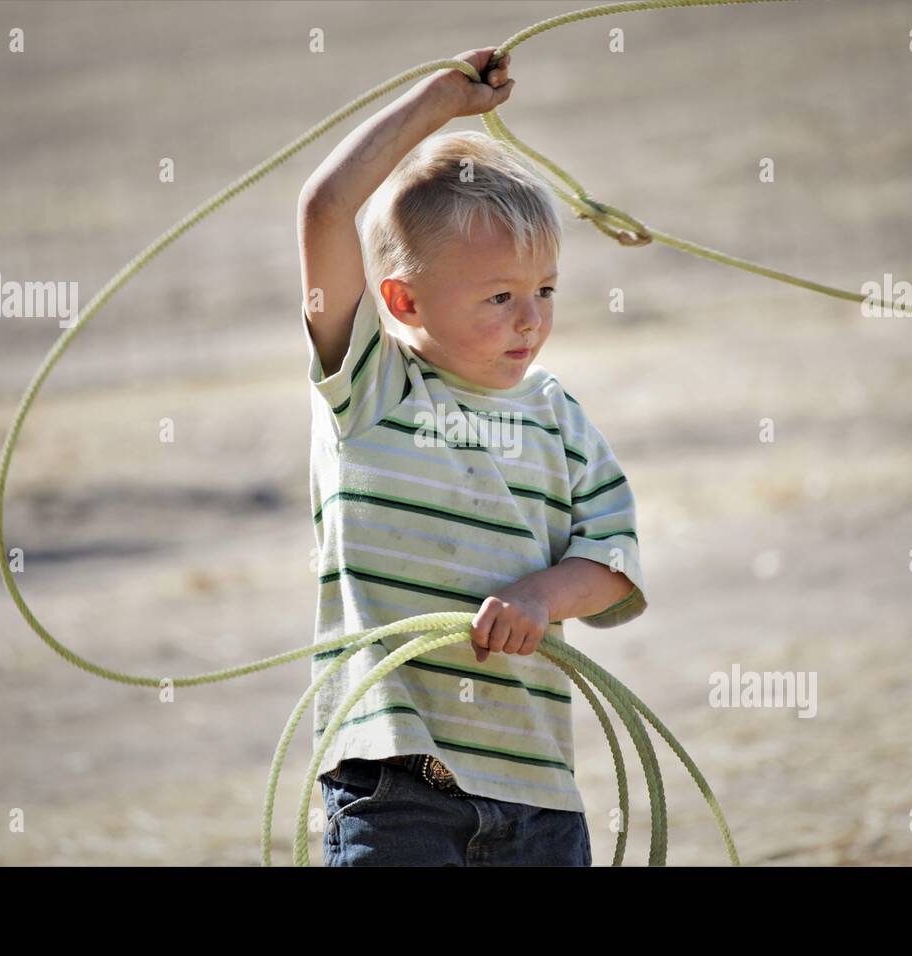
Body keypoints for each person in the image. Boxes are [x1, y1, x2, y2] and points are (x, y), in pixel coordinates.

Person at [297, 47, 647, 866]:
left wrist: (541, 595)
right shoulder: (371, 388)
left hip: (536, 788)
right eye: (499, 297)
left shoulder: (557, 415)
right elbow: (325, 210)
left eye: (545, 291)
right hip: (394, 791)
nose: (530, 320)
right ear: (404, 300)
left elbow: (614, 558)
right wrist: (435, 106)